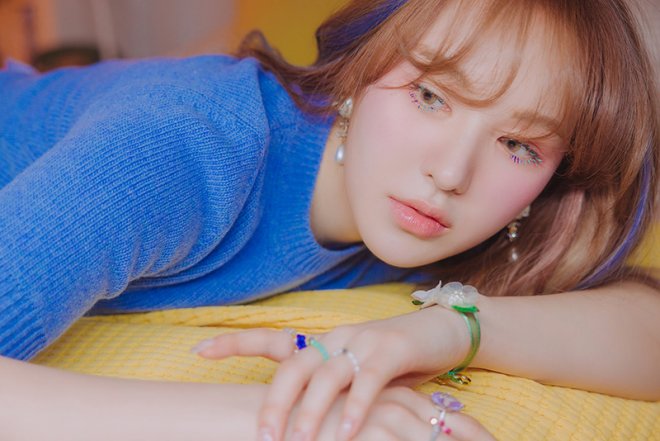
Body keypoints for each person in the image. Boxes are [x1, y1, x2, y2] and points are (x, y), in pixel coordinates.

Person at [0, 0, 658, 439]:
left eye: (519, 145)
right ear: (358, 71)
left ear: (553, 180)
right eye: (431, 96)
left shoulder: (437, 230)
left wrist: (453, 328)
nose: (451, 174)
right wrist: (273, 420)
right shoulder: (185, 142)